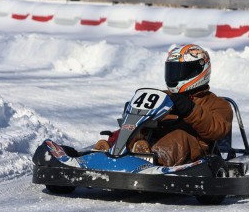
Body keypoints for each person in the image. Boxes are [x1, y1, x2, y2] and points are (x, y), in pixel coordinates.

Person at [95, 44, 233, 167]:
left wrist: (190, 110)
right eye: (173, 71)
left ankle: (153, 158)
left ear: (199, 70)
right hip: (153, 138)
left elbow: (217, 130)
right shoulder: (165, 96)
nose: (175, 76)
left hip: (192, 148)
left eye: (181, 71)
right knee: (135, 131)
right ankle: (109, 151)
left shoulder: (219, 104)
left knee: (179, 135)